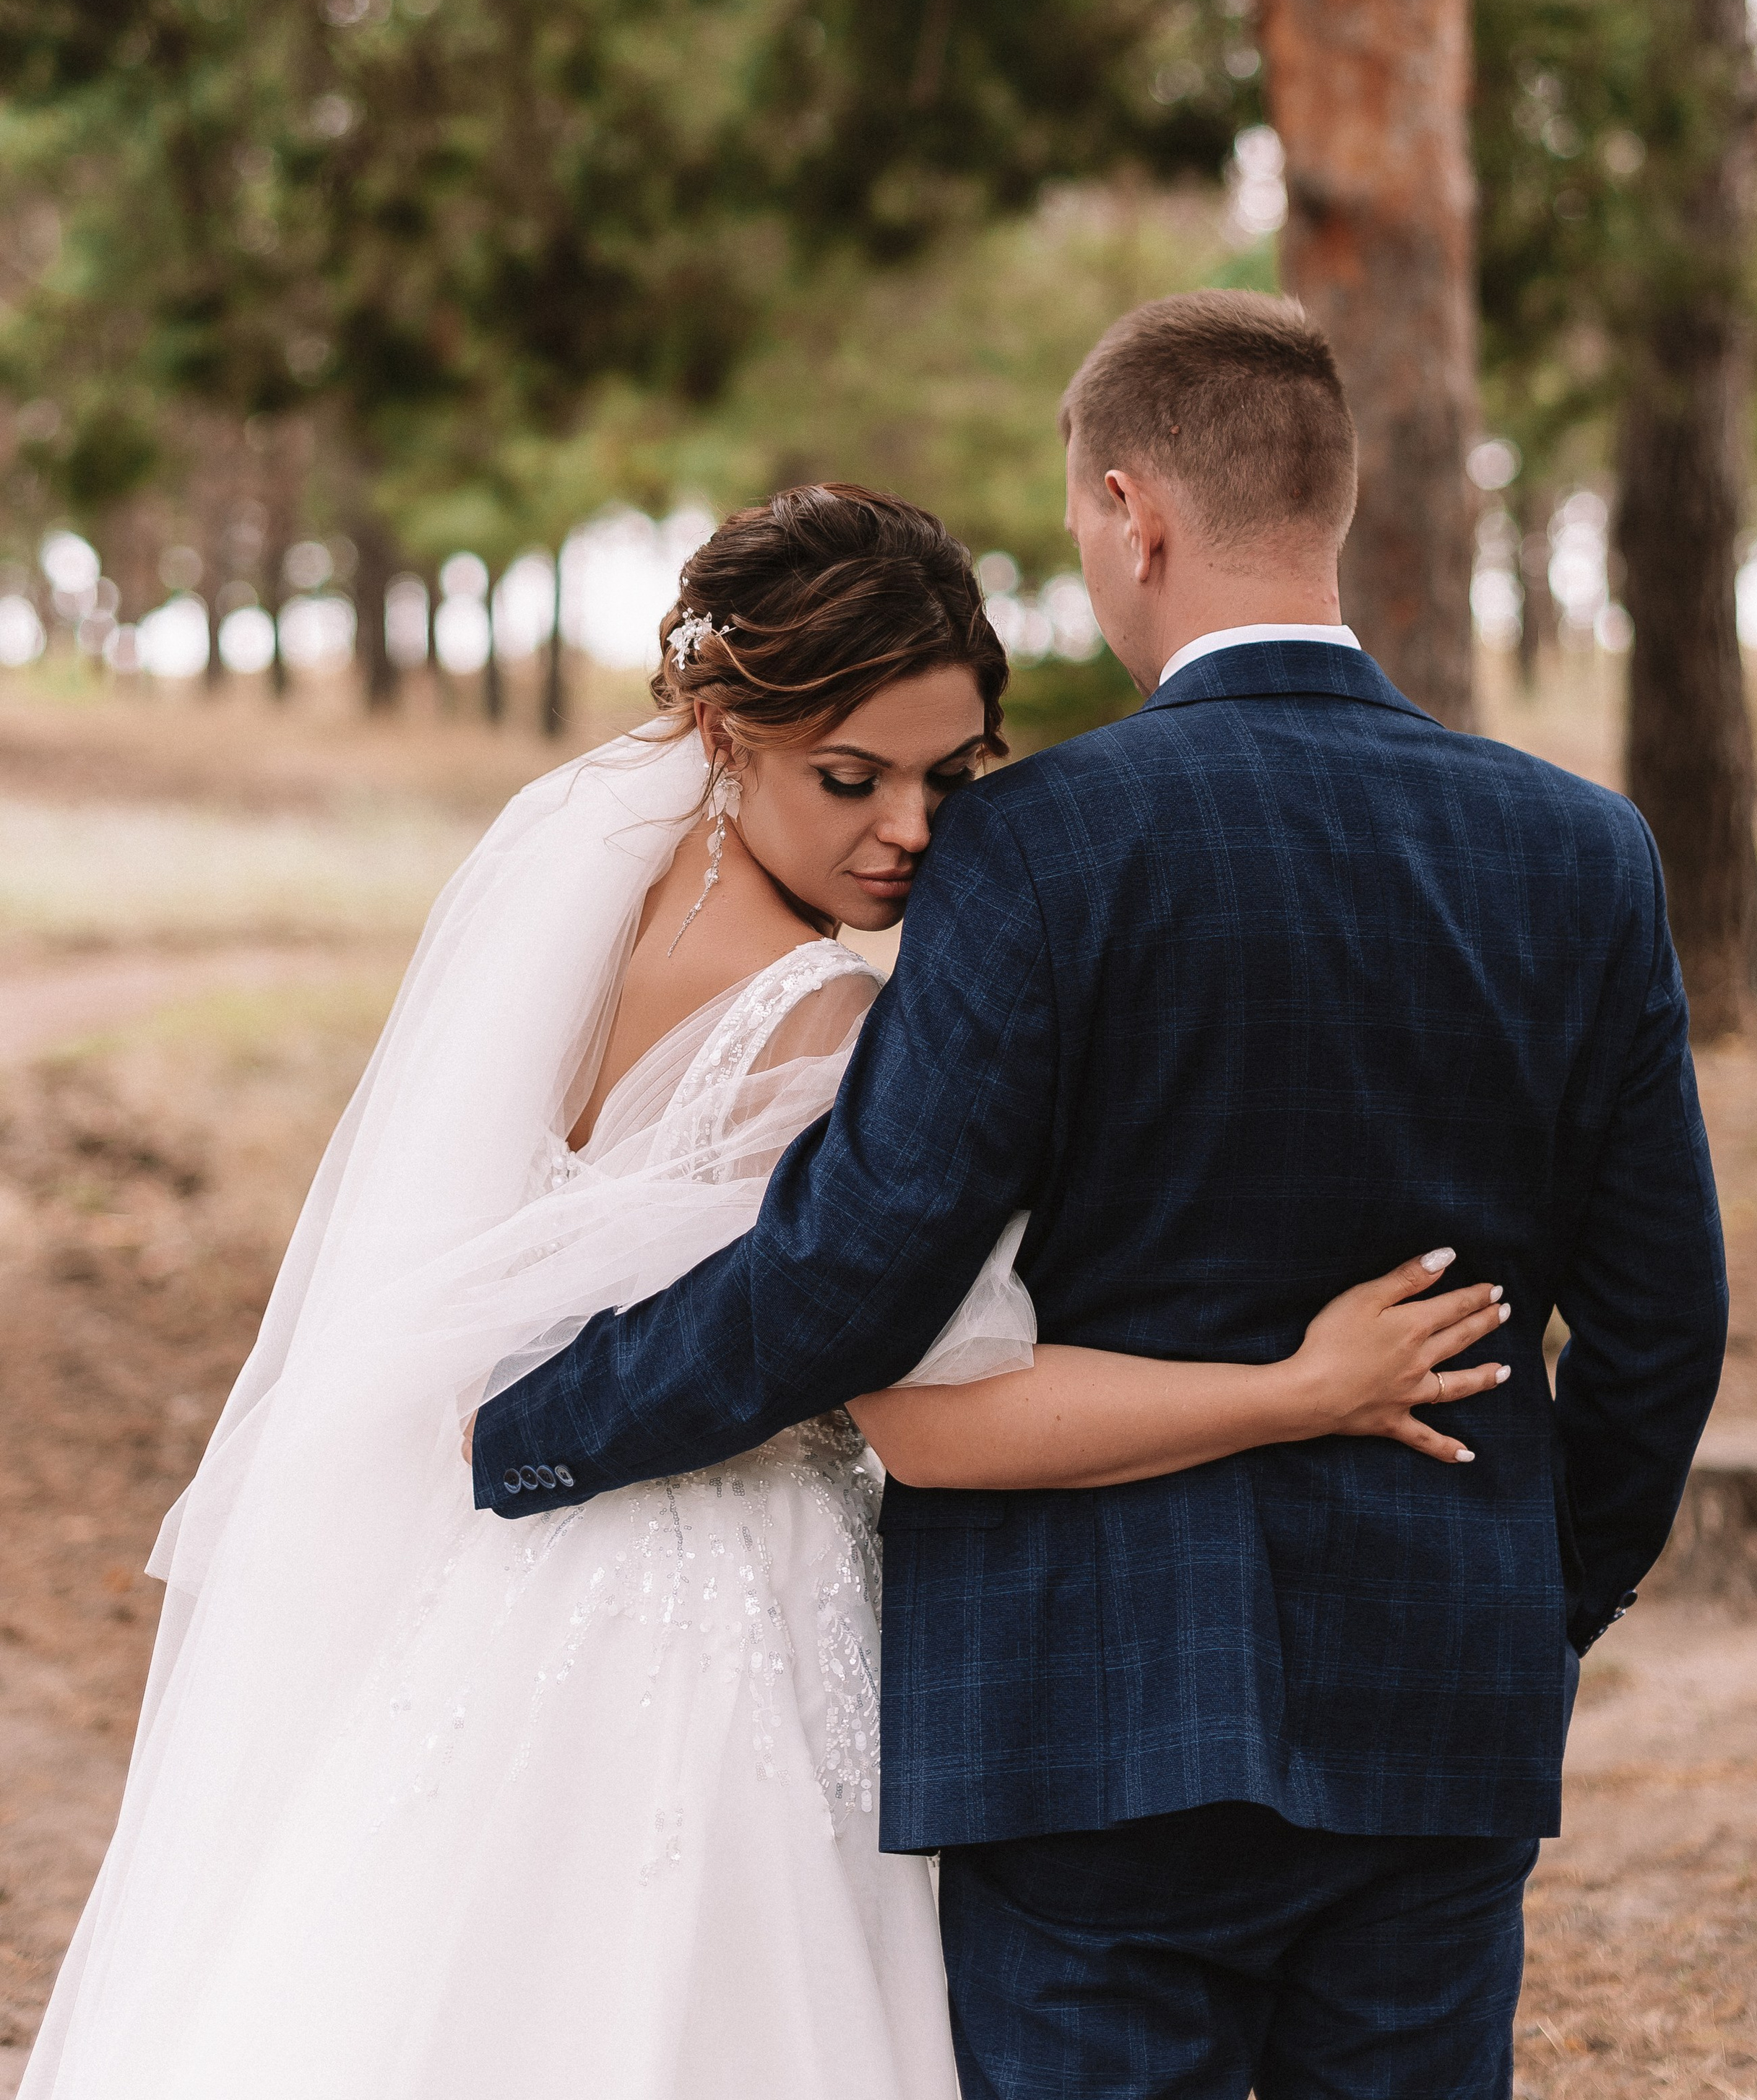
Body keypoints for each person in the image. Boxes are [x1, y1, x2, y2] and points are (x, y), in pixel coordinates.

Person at [22, 480, 1508, 2100]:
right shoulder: (825, 1024)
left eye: (952, 776)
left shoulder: (579, 938)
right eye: (851, 779)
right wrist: (1299, 1390)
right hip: (732, 1621)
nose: (912, 831)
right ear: (727, 734)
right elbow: (936, 1423)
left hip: (510, 1592)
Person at [478, 295, 1730, 2100]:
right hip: (1437, 1701)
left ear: (1130, 512)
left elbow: (853, 1274)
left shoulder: (1028, 844)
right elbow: (1659, 1326)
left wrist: (536, 1428)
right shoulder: (1581, 851)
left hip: (1083, 1714)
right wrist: (1534, 1604)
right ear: (1329, 500)